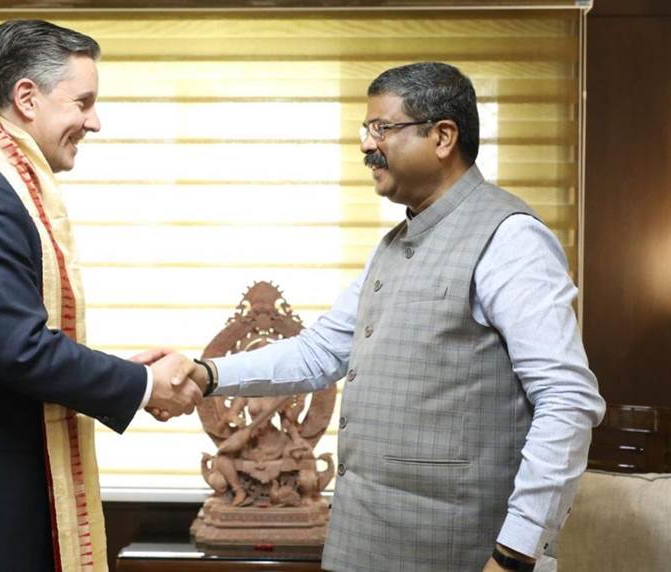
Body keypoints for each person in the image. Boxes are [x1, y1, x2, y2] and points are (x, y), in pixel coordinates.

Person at [181, 62, 606, 571]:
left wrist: (515, 553)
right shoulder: (392, 246)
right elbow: (320, 352)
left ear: (443, 137)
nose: (366, 144)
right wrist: (204, 375)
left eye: (382, 128)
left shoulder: (511, 238)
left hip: (461, 554)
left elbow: (567, 399)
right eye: (367, 128)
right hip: (361, 546)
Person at [0, 20, 203, 572]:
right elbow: (21, 351)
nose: (94, 122)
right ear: (27, 97)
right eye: (83, 102)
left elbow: (12, 345)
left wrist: (124, 374)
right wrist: (143, 384)